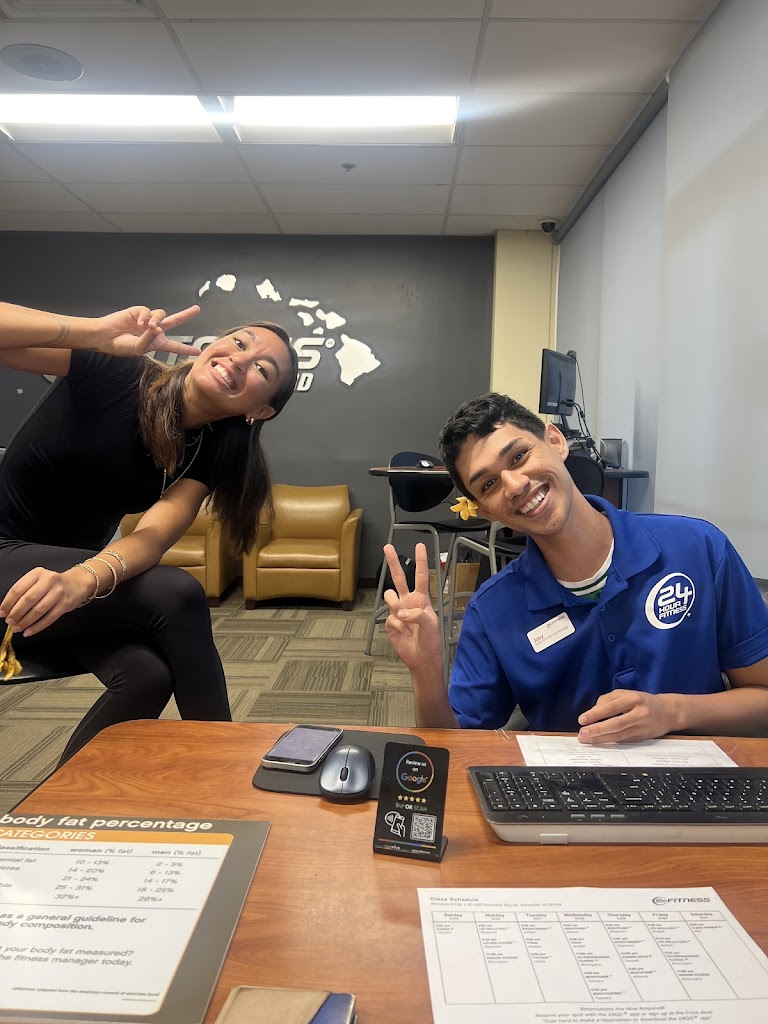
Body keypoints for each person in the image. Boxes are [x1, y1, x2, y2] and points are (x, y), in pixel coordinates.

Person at [0, 300, 298, 762]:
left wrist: (80, 579)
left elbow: (152, 537)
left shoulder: (211, 447)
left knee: (147, 675)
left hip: (51, 591)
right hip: (8, 553)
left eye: (262, 368)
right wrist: (92, 330)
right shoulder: (119, 370)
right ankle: (228, 770)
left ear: (261, 410)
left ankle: (62, 800)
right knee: (179, 592)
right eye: (239, 343)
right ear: (211, 346)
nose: (240, 360)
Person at [383, 392, 768, 742]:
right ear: (486, 511)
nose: (514, 485)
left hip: (699, 783)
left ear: (555, 441)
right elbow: (453, 747)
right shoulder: (493, 610)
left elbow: (761, 697)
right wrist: (426, 671)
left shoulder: (697, 548)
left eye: (519, 457)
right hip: (567, 791)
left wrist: (671, 712)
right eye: (488, 485)